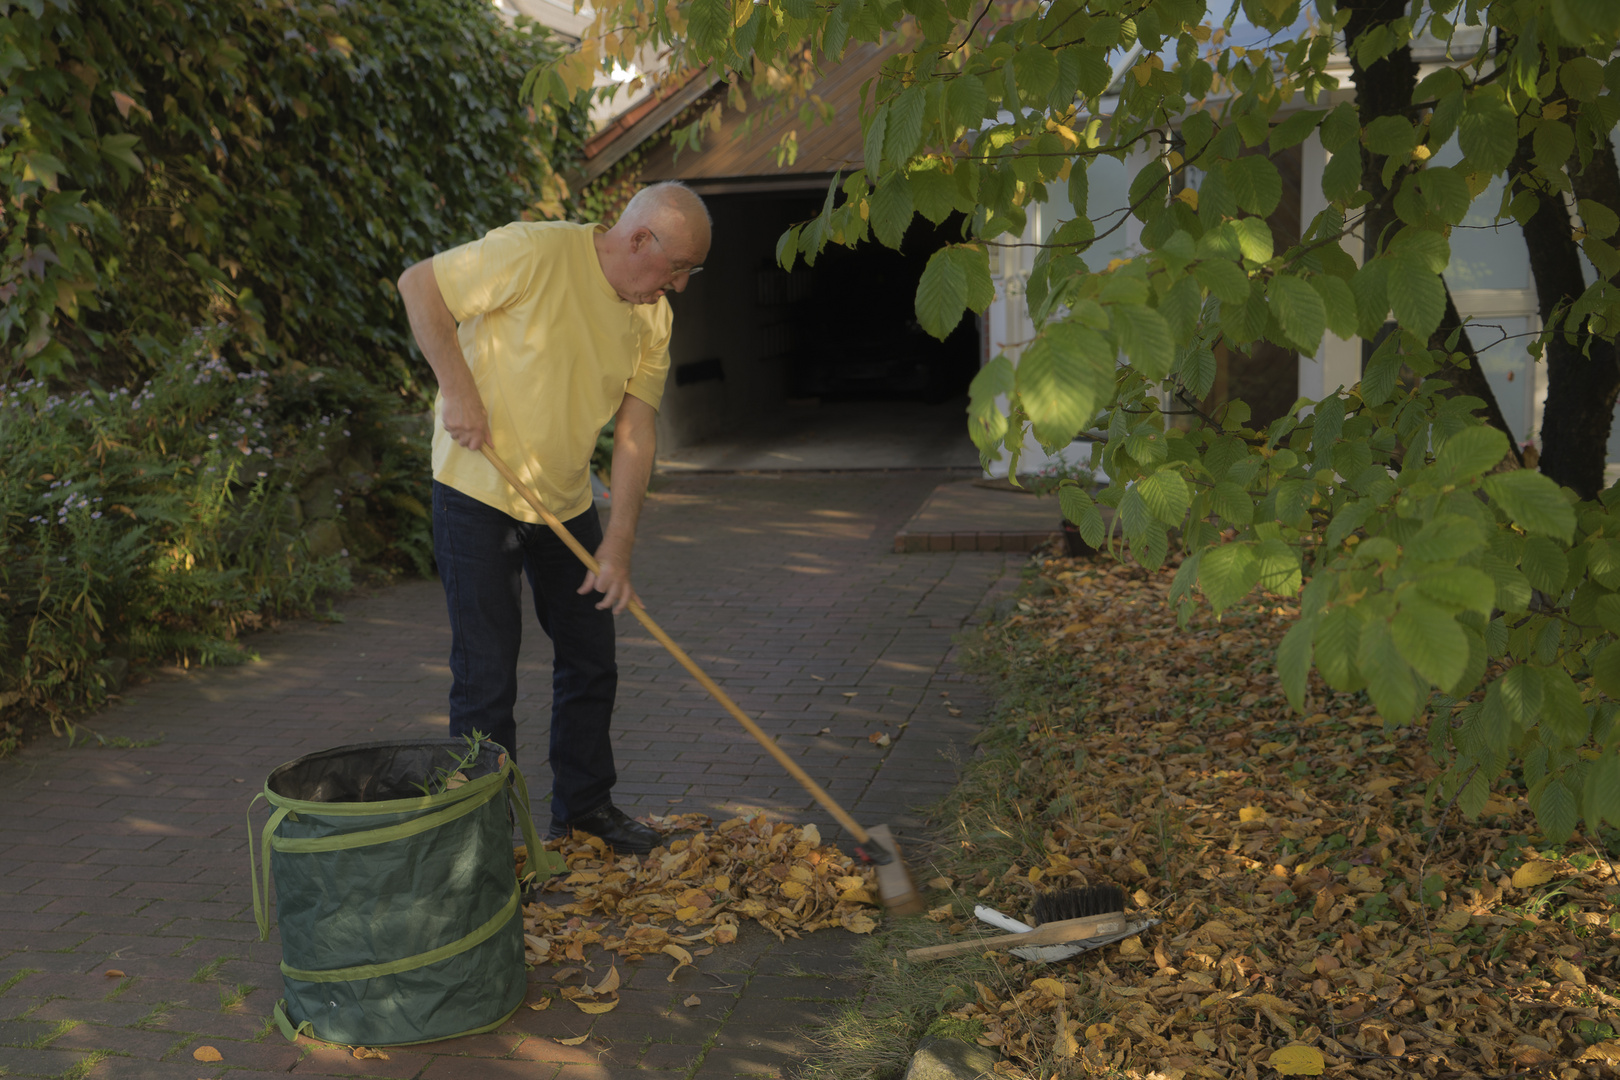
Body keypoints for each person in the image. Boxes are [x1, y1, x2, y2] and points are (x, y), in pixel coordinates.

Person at [397, 182, 711, 855]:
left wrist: (618, 544)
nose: (680, 286)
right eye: (677, 268)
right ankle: (483, 845)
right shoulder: (535, 253)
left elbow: (635, 432)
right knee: (486, 677)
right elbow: (419, 285)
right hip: (475, 492)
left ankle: (585, 809)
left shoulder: (649, 318)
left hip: (564, 502)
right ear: (638, 240)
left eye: (690, 273)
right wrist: (458, 389)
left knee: (592, 661)